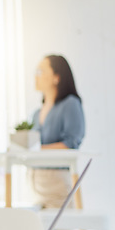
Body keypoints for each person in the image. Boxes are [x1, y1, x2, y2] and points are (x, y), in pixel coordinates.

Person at [30, 54, 85, 208]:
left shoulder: (70, 104)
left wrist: (36, 150)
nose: (36, 76)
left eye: (41, 71)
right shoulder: (36, 113)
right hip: (35, 183)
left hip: (57, 183)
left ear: (56, 77)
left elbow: (71, 144)